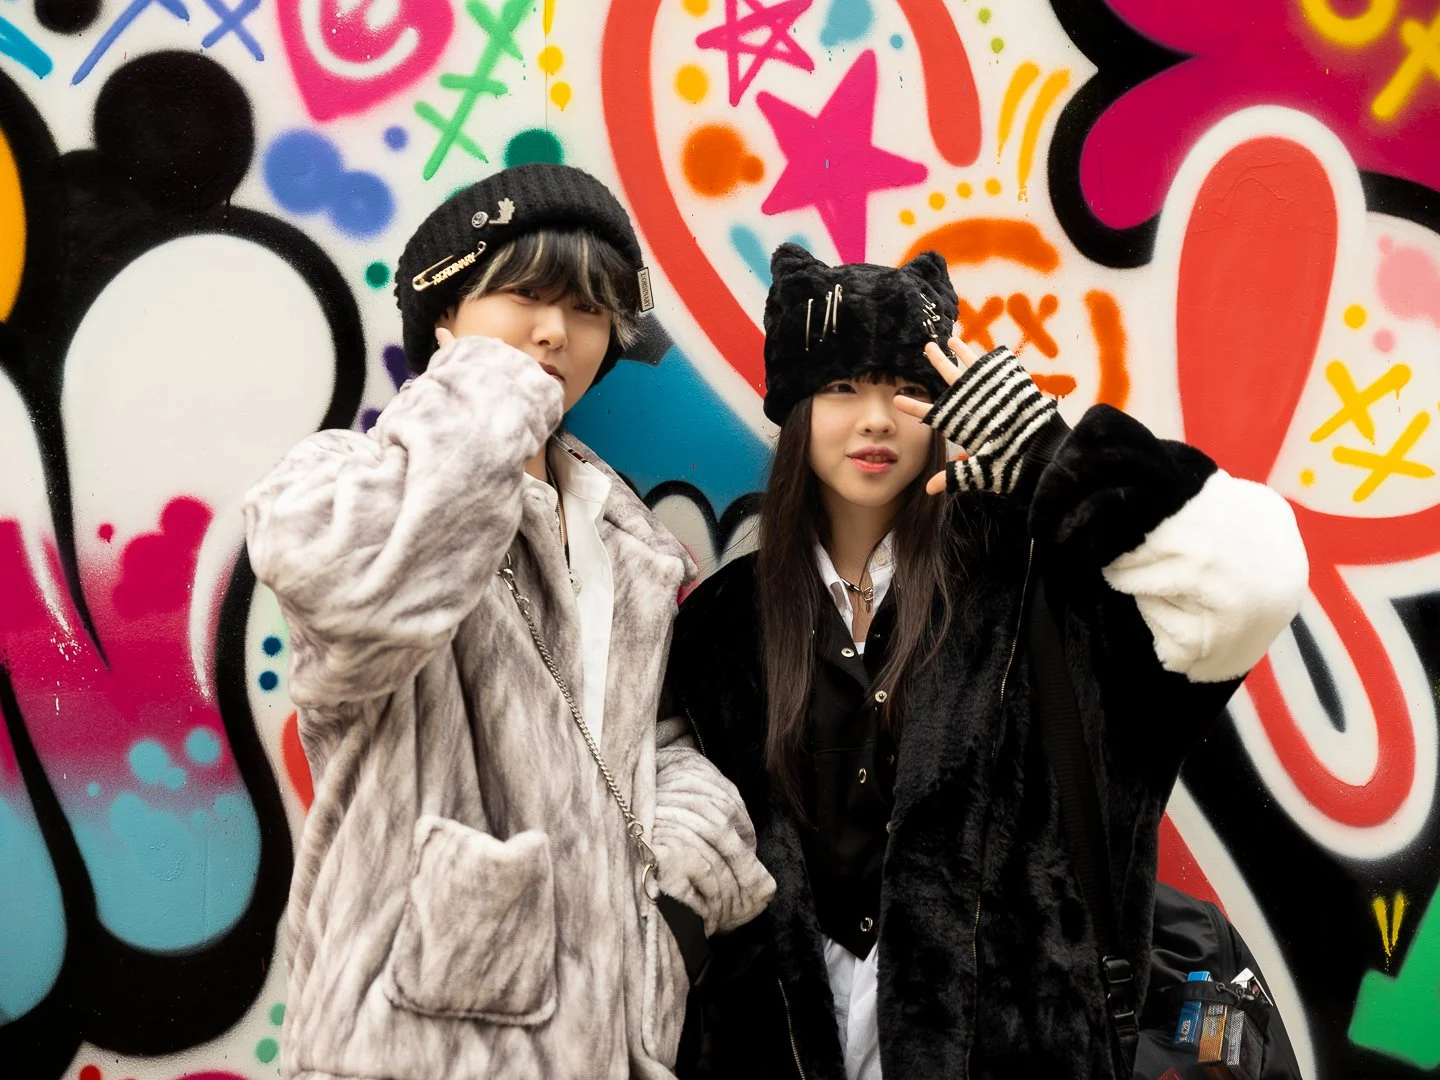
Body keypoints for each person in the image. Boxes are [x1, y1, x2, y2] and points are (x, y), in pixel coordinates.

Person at [666, 243, 1308, 1079]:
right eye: (839, 388)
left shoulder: (1048, 580)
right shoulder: (723, 622)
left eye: (908, 389)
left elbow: (1259, 583)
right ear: (794, 410)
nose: (875, 419)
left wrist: (1058, 459)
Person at [243, 163, 774, 1080]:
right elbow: (362, 597)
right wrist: (485, 396)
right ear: (444, 317)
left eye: (587, 309)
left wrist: (678, 902)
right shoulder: (346, 487)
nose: (553, 331)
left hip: (609, 1034)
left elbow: (654, 739)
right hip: (413, 1034)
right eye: (522, 295)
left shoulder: (627, 539)